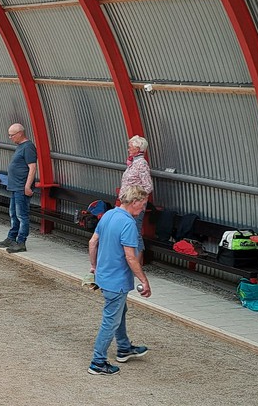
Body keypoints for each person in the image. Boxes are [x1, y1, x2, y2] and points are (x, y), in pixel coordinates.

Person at [87, 185, 152, 376]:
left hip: (104, 277)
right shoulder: (129, 224)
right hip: (117, 281)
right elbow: (131, 257)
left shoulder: (108, 215)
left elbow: (92, 242)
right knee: (111, 321)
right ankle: (97, 362)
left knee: (120, 311)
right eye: (142, 204)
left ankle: (124, 347)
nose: (143, 209)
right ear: (134, 202)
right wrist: (144, 280)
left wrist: (94, 266)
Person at [0, 124, 37, 253]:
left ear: (20, 133)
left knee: (21, 215)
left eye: (12, 135)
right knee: (13, 213)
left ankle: (21, 242)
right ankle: (11, 237)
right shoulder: (20, 146)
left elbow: (32, 168)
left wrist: (27, 186)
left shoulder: (28, 147)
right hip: (15, 186)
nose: (10, 137)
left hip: (21, 187)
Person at [120, 135, 153, 266]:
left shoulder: (142, 164)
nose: (128, 149)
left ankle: (137, 264)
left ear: (138, 149)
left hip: (135, 206)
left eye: (131, 147)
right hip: (127, 205)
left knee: (136, 233)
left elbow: (148, 186)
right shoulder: (133, 163)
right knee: (129, 231)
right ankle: (131, 262)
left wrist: (138, 201)